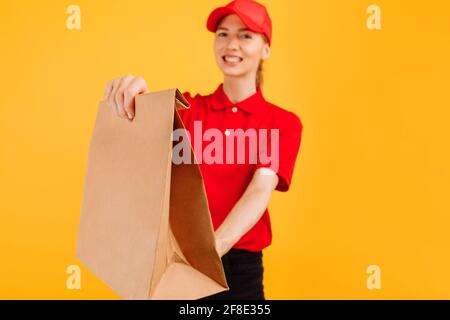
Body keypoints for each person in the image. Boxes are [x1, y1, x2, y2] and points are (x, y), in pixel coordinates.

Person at [103, 0, 303, 300]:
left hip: (239, 270)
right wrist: (134, 95)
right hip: (180, 261)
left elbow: (260, 189)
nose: (231, 43)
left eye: (245, 35)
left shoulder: (282, 123)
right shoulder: (188, 110)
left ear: (266, 49)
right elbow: (139, 134)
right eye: (223, 34)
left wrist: (209, 253)